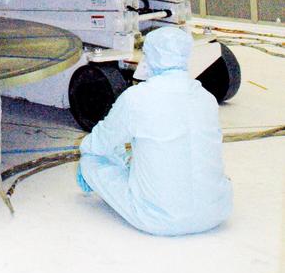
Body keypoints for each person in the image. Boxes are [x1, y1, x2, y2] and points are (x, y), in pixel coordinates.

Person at [77, 25, 233, 235]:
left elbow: (101, 143)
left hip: (159, 218)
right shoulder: (206, 98)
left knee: (92, 161)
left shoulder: (137, 98)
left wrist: (87, 154)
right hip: (217, 211)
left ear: (150, 56)